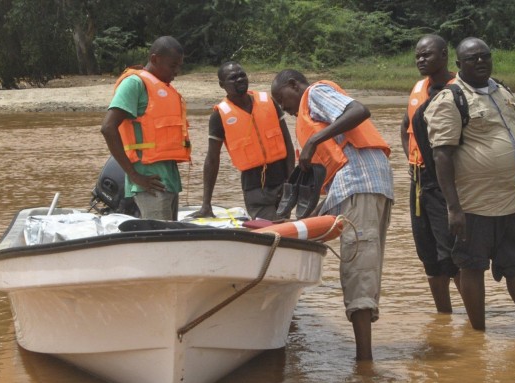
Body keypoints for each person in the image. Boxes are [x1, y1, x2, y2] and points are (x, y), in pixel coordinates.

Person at [271, 69, 393, 361]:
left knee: (358, 269)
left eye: (281, 99)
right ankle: (363, 355)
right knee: (362, 266)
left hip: (361, 183)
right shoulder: (308, 117)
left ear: (293, 85)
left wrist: (314, 141)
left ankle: (364, 362)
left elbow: (359, 110)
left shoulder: (314, 93)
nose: (283, 108)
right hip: (361, 186)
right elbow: (332, 176)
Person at [425, 37, 515, 331]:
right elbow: (441, 156)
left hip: (514, 202)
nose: (480, 62)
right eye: (472, 58)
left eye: (484, 57)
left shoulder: (502, 91)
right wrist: (453, 208)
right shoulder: (451, 99)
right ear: (459, 65)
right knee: (472, 267)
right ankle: (478, 336)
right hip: (474, 204)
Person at [400, 34, 461, 314]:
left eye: (427, 55)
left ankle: (475, 320)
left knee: (452, 252)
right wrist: (412, 160)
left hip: (447, 181)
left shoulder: (459, 88)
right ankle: (444, 317)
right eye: (418, 56)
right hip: (418, 180)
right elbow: (406, 126)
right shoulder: (418, 87)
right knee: (427, 253)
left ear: (445, 55)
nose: (421, 60)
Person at [100, 36, 190, 221]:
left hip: (169, 181)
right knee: (159, 242)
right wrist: (133, 175)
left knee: (170, 239)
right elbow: (108, 128)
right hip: (150, 184)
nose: (177, 71)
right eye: (172, 66)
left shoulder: (163, 88)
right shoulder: (134, 84)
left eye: (179, 66)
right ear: (155, 59)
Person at [196, 62, 295, 220]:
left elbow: (288, 144)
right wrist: (206, 204)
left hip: (282, 181)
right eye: (233, 78)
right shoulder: (219, 115)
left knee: (284, 226)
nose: (240, 79)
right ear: (222, 85)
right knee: (272, 228)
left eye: (242, 75)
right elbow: (212, 159)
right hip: (255, 188)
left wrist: (291, 181)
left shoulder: (268, 102)